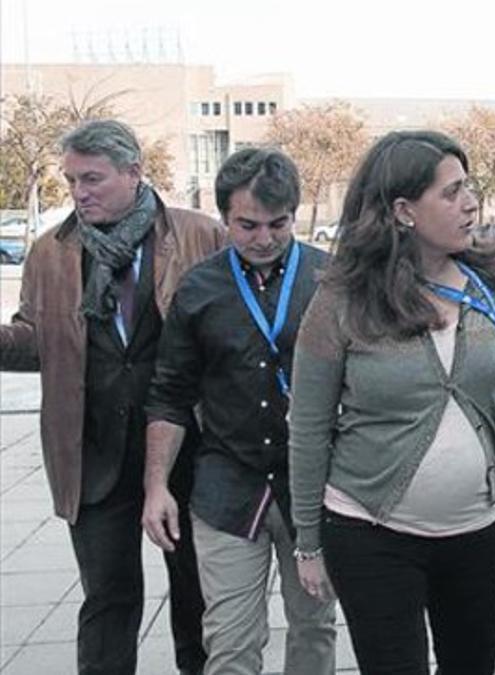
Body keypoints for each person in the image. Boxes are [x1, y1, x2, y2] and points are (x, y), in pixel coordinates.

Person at [288, 130, 495, 674]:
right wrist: (309, 544)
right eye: (451, 192)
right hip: (371, 534)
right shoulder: (341, 298)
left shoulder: (486, 281)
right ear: (404, 210)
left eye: (469, 187)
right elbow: (310, 426)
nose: (470, 203)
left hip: (480, 530)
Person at [0, 119, 218, 674]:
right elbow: (36, 340)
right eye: (71, 180)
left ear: (134, 173)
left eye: (92, 179)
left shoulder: (197, 236)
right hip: (93, 454)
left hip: (190, 452)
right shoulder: (51, 251)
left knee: (198, 597)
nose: (78, 193)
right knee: (108, 600)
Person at [142, 148, 337, 674]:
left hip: (315, 491)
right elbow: (170, 393)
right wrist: (157, 486)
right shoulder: (199, 288)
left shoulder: (330, 279)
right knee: (228, 643)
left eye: (278, 223)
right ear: (224, 217)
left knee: (315, 631)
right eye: (247, 225)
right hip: (228, 489)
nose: (264, 237)